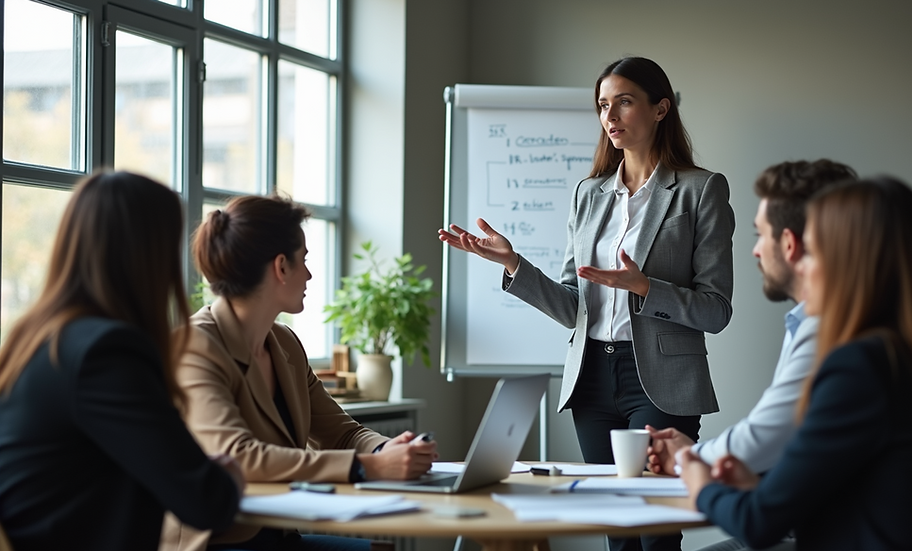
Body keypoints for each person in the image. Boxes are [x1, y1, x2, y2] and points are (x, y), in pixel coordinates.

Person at [440, 56, 735, 551]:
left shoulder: (700, 189)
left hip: (660, 382)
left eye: (624, 101)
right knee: (616, 528)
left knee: (657, 528)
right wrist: (514, 264)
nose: (610, 116)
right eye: (602, 105)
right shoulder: (588, 193)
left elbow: (715, 310)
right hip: (593, 378)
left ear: (661, 108)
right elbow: (571, 305)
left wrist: (644, 288)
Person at [676, 177, 912, 551]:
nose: (800, 268)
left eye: (811, 253)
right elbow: (880, 495)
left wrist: (699, 481)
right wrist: (760, 489)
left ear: (847, 263)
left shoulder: (861, 367)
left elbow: (758, 525)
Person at [161, 195, 437, 551]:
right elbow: (240, 455)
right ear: (281, 267)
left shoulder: (284, 343)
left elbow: (340, 433)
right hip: (219, 540)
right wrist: (369, 467)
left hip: (277, 534)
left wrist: (390, 448)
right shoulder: (194, 345)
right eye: (303, 261)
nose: (308, 274)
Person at [0, 171, 242, 551]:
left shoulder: (34, 339)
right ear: (150, 254)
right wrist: (225, 476)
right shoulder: (106, 352)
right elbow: (207, 502)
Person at [646, 160, 856, 551]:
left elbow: (763, 442)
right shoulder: (836, 326)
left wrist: (689, 461)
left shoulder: (835, 337)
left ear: (790, 244)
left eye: (761, 235)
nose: (755, 251)